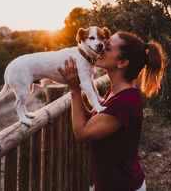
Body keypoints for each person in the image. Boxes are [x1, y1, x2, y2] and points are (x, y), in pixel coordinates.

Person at [58, 31, 165, 191]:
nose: (100, 48)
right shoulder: (117, 92)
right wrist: (78, 84)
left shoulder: (124, 103)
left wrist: (74, 90)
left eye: (107, 48)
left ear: (122, 63)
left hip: (123, 186)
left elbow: (81, 133)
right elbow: (93, 120)